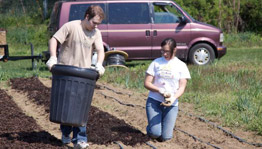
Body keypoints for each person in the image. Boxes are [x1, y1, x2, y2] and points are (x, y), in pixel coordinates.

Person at [46, 5, 105, 149]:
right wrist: (53, 58)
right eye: (94, 22)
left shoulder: (96, 33)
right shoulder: (71, 26)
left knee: (81, 108)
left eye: (98, 23)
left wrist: (99, 64)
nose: (96, 26)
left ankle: (80, 139)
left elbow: (100, 49)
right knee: (66, 107)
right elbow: (54, 40)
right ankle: (66, 134)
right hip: (66, 73)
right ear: (87, 17)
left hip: (83, 75)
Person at [144, 38, 191, 142]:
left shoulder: (181, 66)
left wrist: (173, 98)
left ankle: (159, 127)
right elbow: (147, 83)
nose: (164, 54)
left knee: (166, 137)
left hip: (171, 104)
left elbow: (182, 87)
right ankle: (151, 129)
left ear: (174, 50)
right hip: (154, 101)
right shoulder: (156, 63)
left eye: (167, 52)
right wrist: (160, 90)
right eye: (162, 51)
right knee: (155, 133)